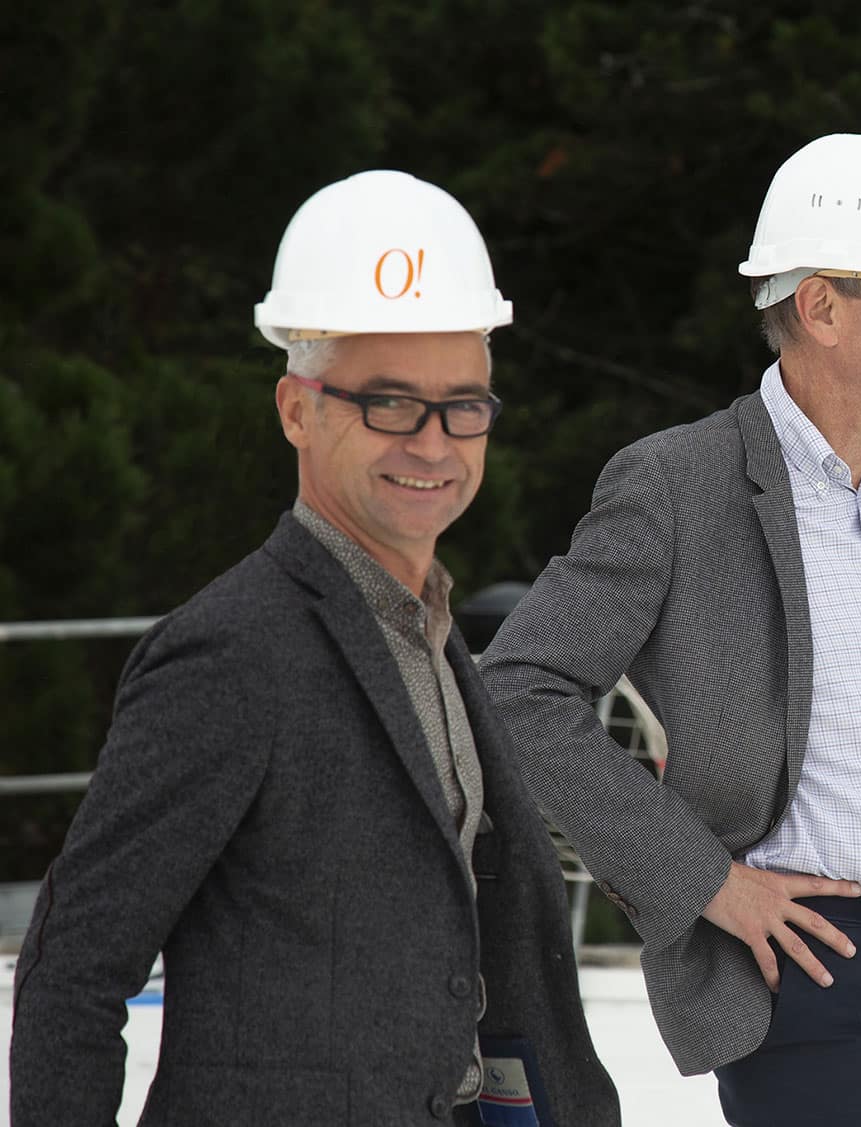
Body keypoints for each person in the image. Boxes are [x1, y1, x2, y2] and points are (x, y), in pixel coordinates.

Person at [8, 170, 620, 1127]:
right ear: (297, 410)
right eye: (389, 403)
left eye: (464, 404)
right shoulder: (228, 652)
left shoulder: (437, 636)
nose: (434, 442)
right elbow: (74, 971)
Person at [479, 133, 861, 1127]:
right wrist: (707, 884)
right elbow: (521, 691)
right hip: (806, 977)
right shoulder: (674, 484)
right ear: (822, 306)